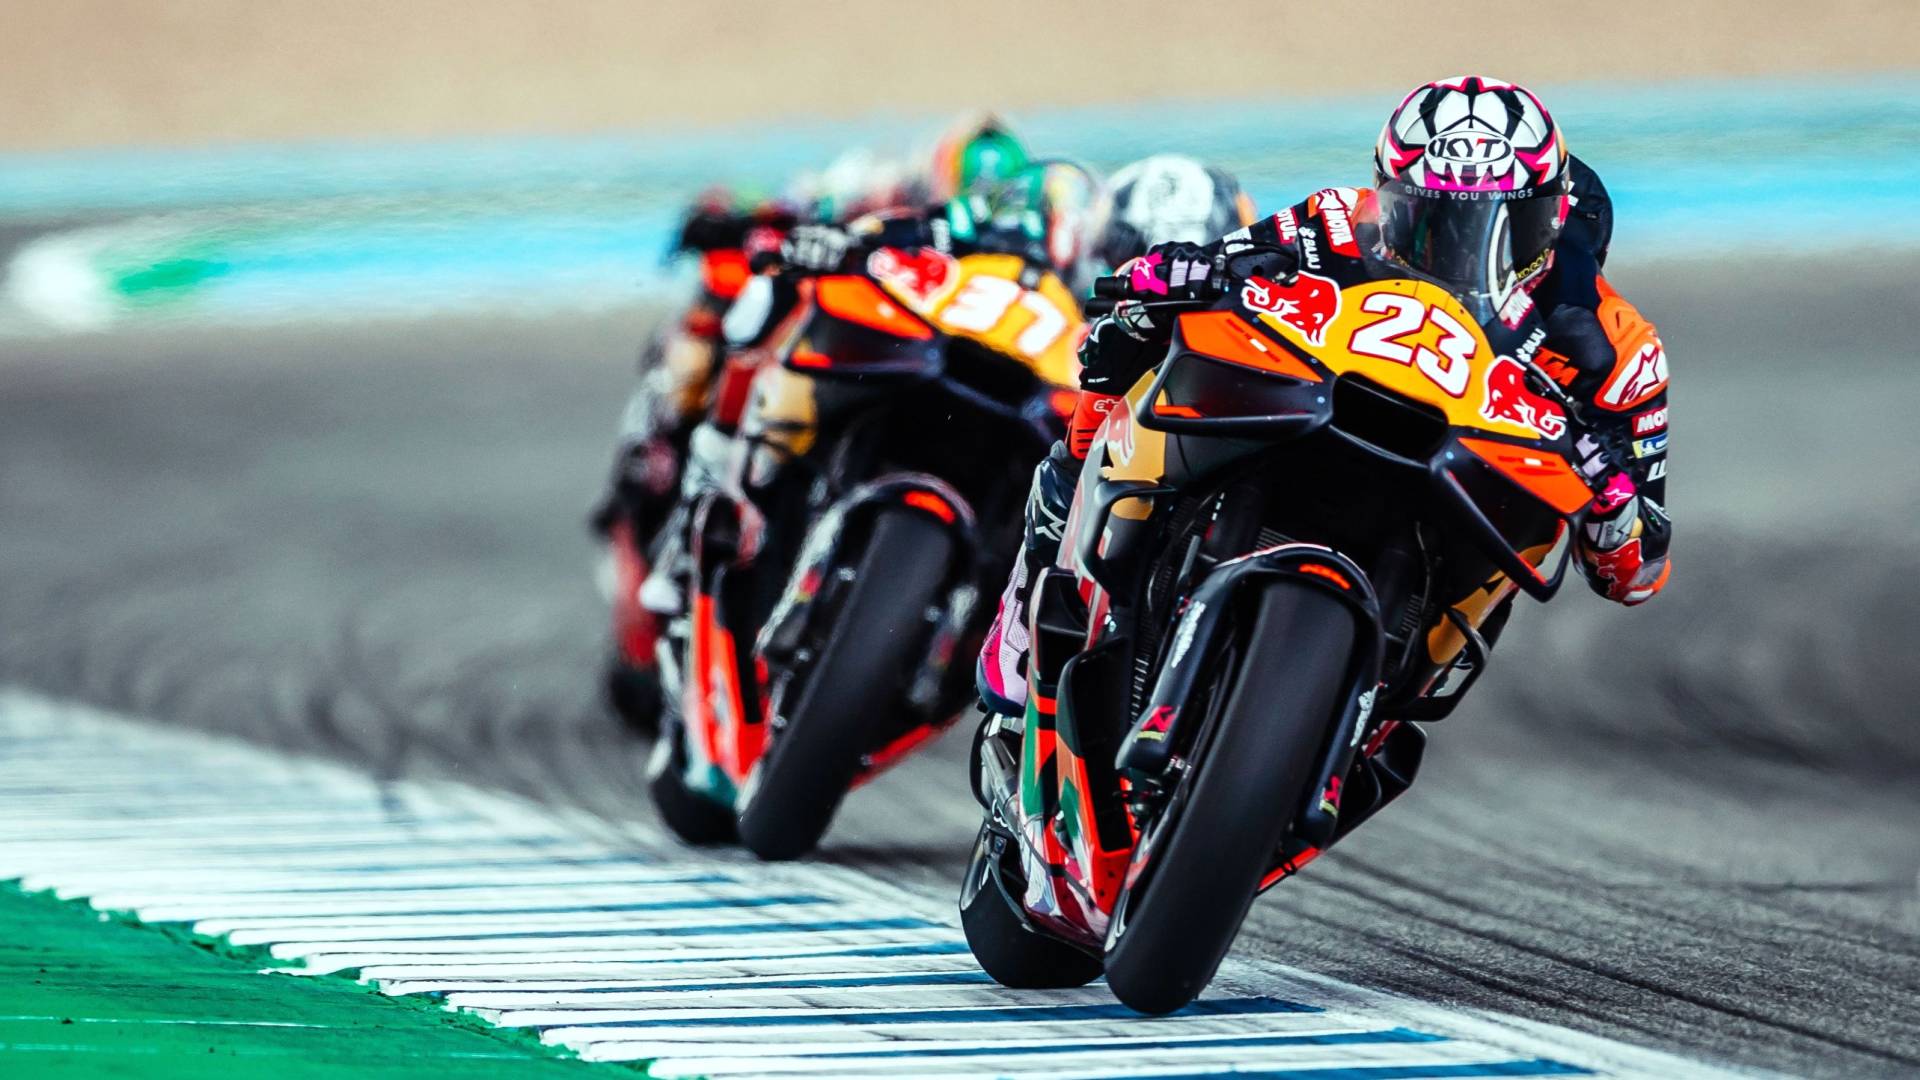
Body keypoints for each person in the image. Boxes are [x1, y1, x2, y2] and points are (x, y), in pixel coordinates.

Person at [978, 75, 1671, 716]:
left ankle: (1371, 717)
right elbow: (1216, 266)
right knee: (1125, 351)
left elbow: (1638, 573)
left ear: (1554, 217)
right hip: (1307, 420)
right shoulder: (1336, 219)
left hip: (1459, 502)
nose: (1461, 251)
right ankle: (1039, 580)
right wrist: (1175, 274)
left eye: (1502, 227)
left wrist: (1613, 506)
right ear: (1387, 195)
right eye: (1429, 220)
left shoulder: (1619, 347)